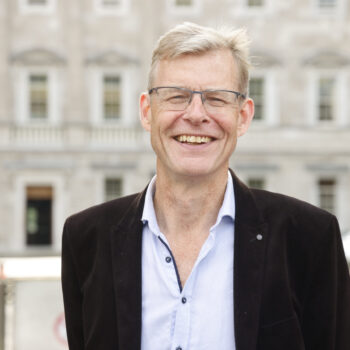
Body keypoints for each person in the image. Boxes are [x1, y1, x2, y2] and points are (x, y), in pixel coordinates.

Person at [61, 22, 350, 350]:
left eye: (217, 98)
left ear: (243, 116)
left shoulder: (309, 238)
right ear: (147, 112)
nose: (196, 114)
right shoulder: (85, 238)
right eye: (177, 96)